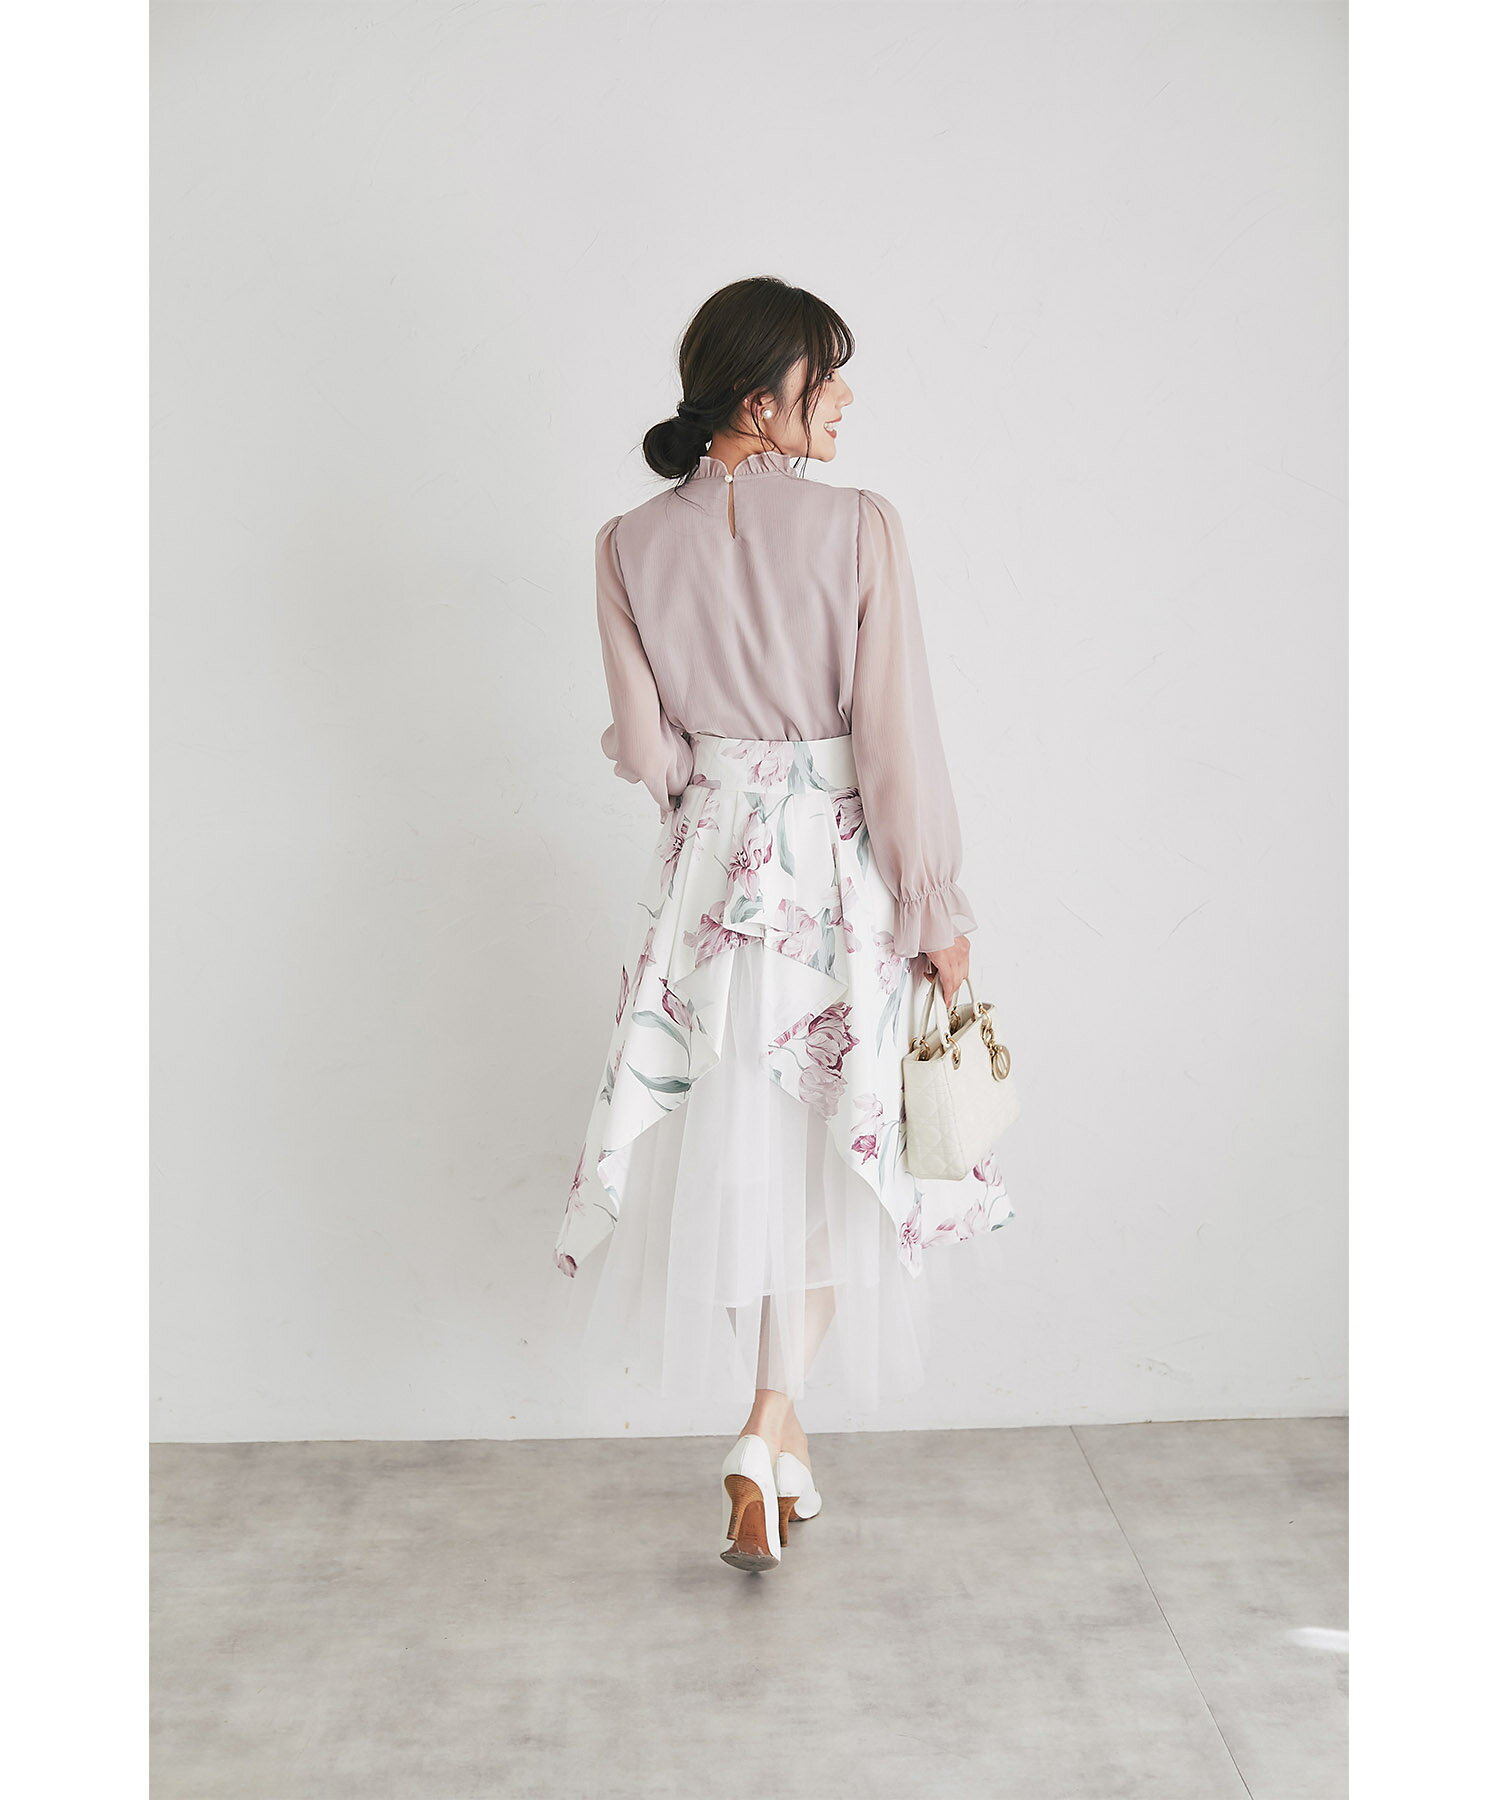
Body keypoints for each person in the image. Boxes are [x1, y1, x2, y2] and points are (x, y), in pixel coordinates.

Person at [554, 276, 1013, 1572]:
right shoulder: (860, 526)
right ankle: (767, 1425)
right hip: (835, 879)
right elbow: (895, 734)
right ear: (762, 399)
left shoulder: (624, 545)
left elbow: (648, 751)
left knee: (741, 1155)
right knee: (833, 1153)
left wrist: (703, 764)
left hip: (711, 884)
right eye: (827, 374)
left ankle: (777, 1442)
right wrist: (934, 904)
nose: (846, 398)